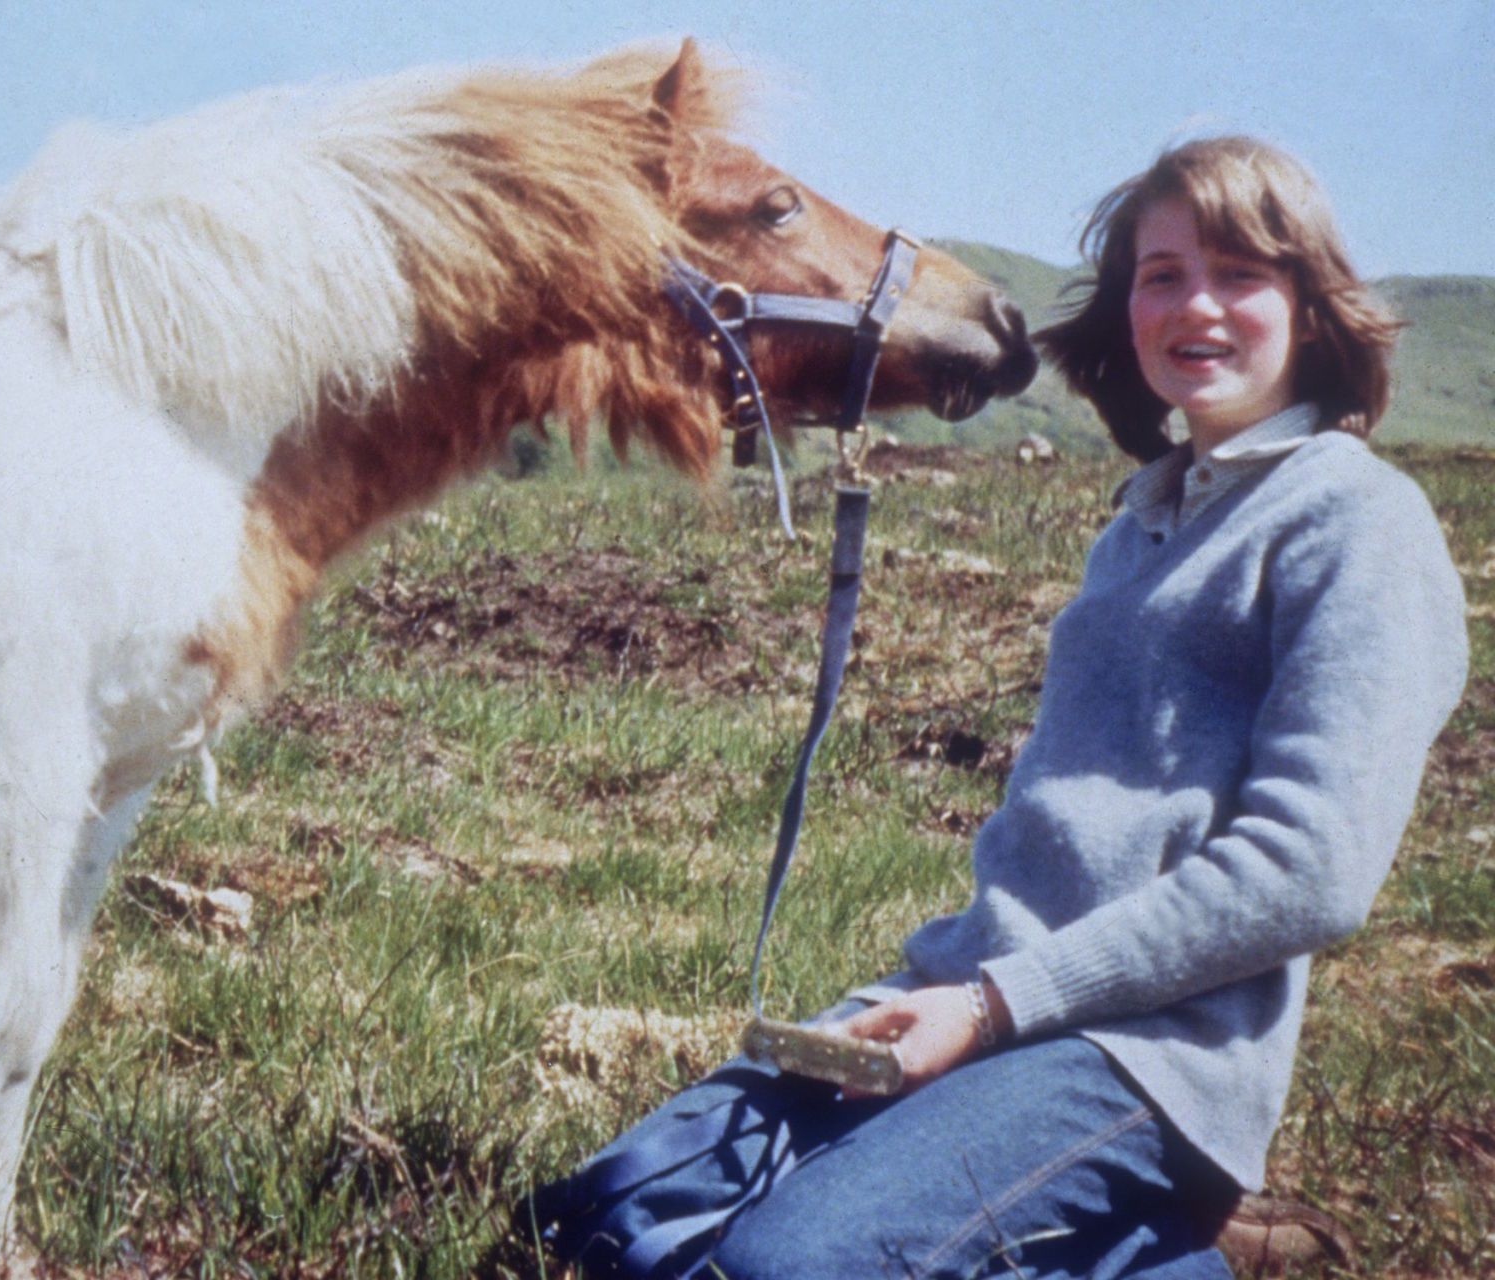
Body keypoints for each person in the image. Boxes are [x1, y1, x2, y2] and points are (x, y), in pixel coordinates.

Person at [524, 135, 1468, 1279]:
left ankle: (1187, 1256)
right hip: (978, 997)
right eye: (1160, 275)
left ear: (1311, 306)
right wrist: (939, 995)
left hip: (1142, 1057)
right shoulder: (1140, 524)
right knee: (597, 1221)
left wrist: (988, 1006)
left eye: (1240, 272)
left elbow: (1308, 871)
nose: (1194, 306)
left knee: (781, 1268)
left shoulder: (1357, 521)